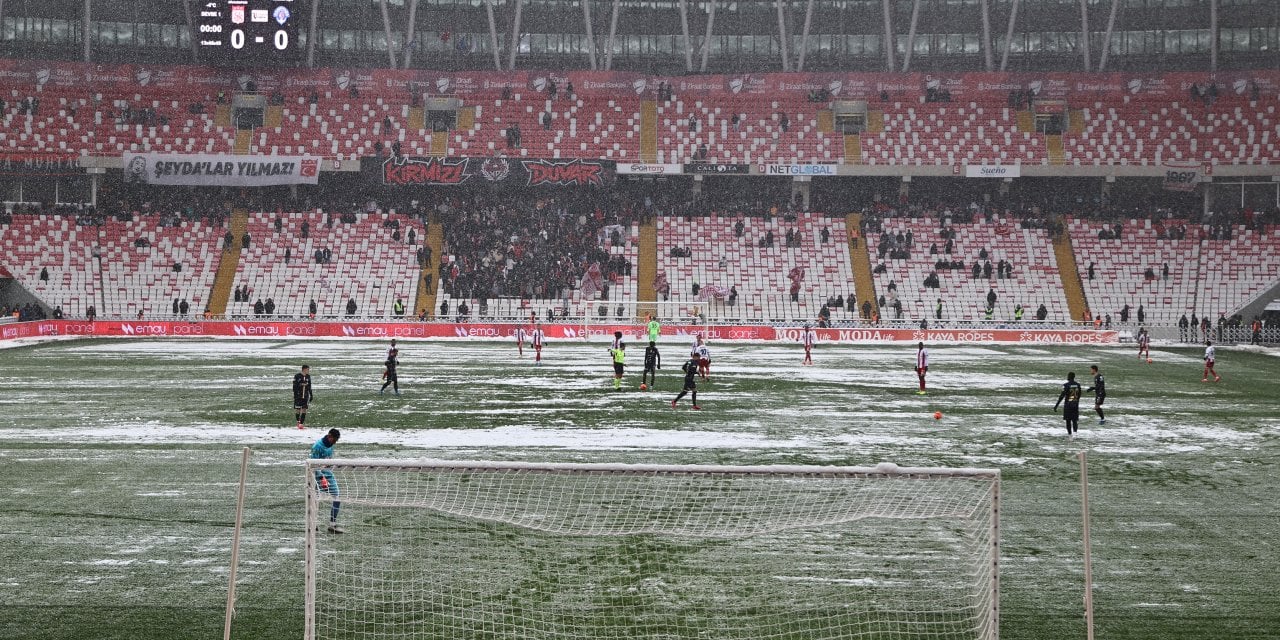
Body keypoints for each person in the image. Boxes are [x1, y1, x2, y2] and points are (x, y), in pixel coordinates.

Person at [310, 428, 343, 534]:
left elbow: (328, 461)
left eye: (336, 440)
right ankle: (313, 524)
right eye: (334, 440)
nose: (335, 442)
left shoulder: (331, 446)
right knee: (315, 500)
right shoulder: (317, 446)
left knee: (337, 497)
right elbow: (313, 465)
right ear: (329, 436)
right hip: (316, 476)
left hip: (328, 475)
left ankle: (332, 525)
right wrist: (321, 478)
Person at [1053, 371, 1083, 439]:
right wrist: (1076, 401)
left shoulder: (1066, 385)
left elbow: (1062, 396)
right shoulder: (1078, 385)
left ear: (1069, 377)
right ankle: (1075, 433)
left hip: (1068, 405)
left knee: (1068, 420)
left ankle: (1070, 436)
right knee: (1075, 420)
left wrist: (1056, 405)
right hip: (1075, 404)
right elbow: (1079, 395)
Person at [293, 364, 314, 430]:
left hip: (305, 396)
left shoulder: (308, 376)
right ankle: (298, 421)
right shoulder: (297, 376)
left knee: (304, 409)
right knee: (298, 409)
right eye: (308, 369)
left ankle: (301, 424)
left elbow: (309, 386)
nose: (308, 371)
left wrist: (311, 395)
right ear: (304, 369)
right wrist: (301, 384)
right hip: (298, 395)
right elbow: (294, 386)